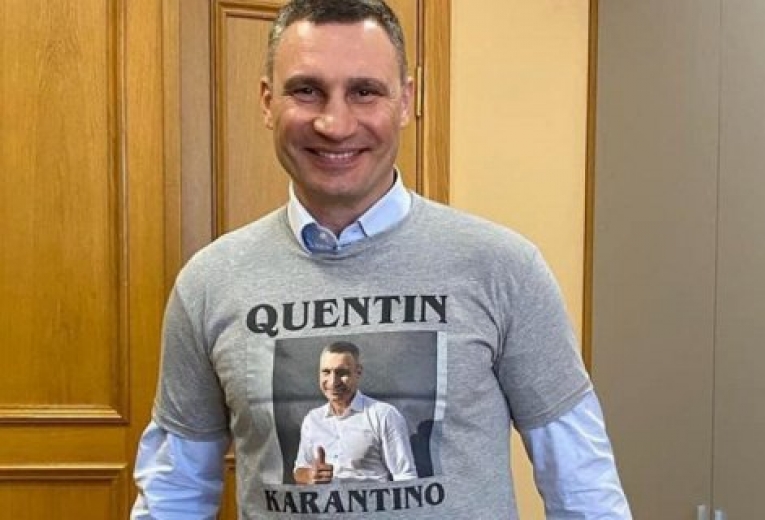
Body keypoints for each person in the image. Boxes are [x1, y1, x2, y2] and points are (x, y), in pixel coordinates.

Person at [132, 0, 632, 518]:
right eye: (306, 90)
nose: (334, 123)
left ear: (405, 101)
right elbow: (174, 494)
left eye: (364, 91)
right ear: (267, 101)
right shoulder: (209, 284)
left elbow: (583, 489)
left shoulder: (505, 270)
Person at [293, 341, 417, 484]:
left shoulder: (384, 415)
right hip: (324, 499)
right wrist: (309, 475)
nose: (333, 382)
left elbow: (405, 477)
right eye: (326, 372)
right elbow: (300, 470)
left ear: (358, 372)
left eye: (342, 373)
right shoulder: (312, 419)